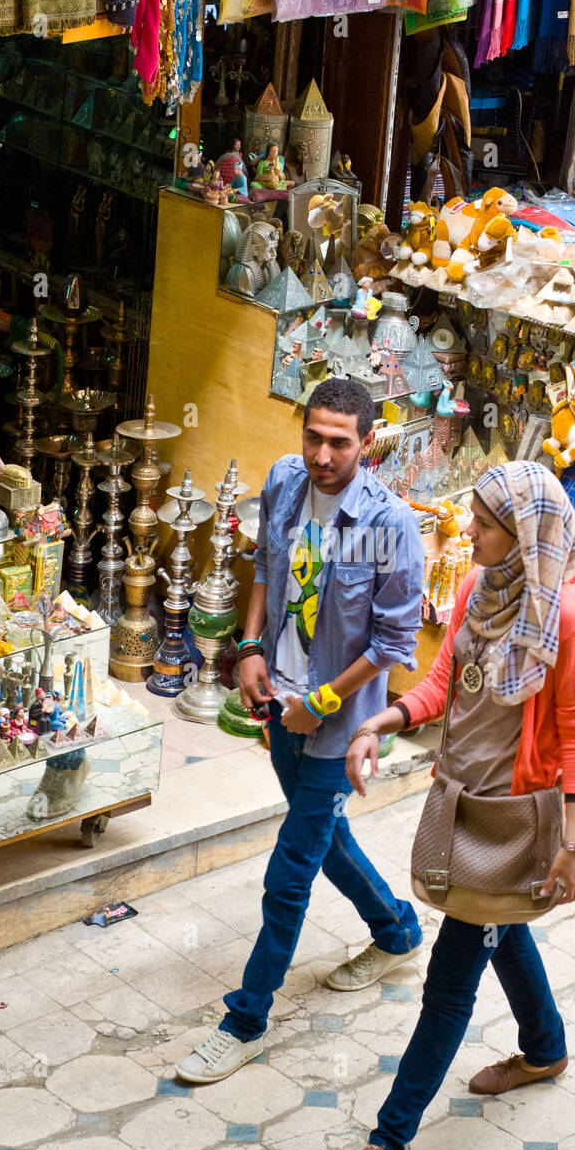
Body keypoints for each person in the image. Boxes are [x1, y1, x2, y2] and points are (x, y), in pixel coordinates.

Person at [339, 460, 575, 1150]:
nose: (470, 532)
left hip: (514, 826)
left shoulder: (567, 623)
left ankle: (387, 1140)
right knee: (500, 929)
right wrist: (383, 722)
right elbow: (443, 683)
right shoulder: (475, 594)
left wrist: (572, 847)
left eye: (484, 524)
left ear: (522, 535)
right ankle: (544, 1048)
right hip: (459, 806)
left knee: (452, 977)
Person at [175, 378, 426, 1085]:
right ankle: (396, 930)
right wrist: (249, 649)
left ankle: (245, 1020)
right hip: (275, 704)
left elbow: (393, 641)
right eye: (312, 436)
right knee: (322, 832)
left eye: (338, 442)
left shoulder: (391, 526)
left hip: (333, 720)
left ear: (367, 443)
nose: (320, 454)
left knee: (290, 871)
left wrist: (321, 701)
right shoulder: (285, 482)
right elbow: (263, 569)